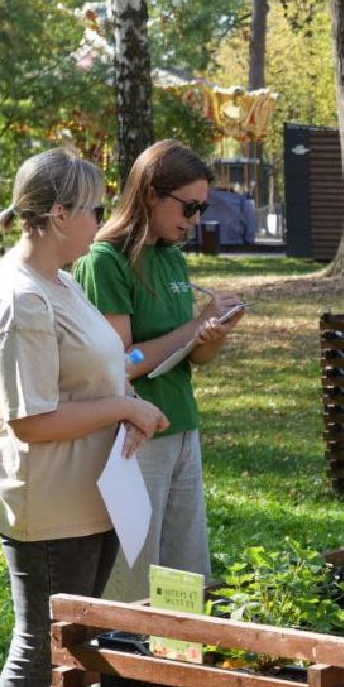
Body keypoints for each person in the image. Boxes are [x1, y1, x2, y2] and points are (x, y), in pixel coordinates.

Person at [0, 149, 170, 687]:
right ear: (57, 216)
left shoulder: (60, 280)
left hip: (92, 491)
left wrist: (125, 401)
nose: (101, 220)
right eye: (91, 209)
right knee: (39, 646)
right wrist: (123, 410)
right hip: (49, 500)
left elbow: (93, 371)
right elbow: (31, 419)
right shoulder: (22, 298)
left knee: (74, 640)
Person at [76, 140, 244, 601]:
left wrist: (211, 336)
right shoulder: (105, 261)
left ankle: (178, 666)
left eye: (202, 209)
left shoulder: (171, 255)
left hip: (180, 424)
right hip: (134, 435)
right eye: (188, 207)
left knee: (187, 576)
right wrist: (193, 325)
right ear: (151, 192)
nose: (194, 220)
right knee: (135, 577)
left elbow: (191, 358)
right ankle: (125, 671)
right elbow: (121, 364)